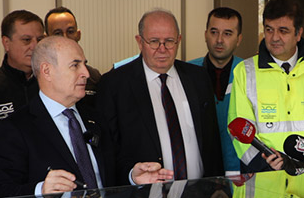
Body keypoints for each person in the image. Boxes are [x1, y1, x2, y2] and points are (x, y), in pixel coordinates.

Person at [0, 35, 171, 197]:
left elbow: (112, 168)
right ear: (46, 71)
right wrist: (41, 190)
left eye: (84, 64)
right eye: (75, 65)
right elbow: (2, 192)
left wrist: (132, 176)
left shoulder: (95, 118)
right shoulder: (15, 128)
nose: (86, 73)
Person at [95, 9, 223, 184]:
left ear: (179, 40)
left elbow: (212, 142)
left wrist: (217, 188)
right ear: (140, 42)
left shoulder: (198, 78)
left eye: (169, 41)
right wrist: (131, 177)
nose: (162, 49)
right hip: (143, 196)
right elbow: (108, 151)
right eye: (154, 41)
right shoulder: (114, 85)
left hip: (200, 194)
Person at [228, 0, 304, 172]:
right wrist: (265, 165)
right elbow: (239, 129)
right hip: (265, 178)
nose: (275, 37)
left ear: (298, 33)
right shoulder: (245, 71)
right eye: (269, 30)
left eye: (283, 31)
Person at [188, 7, 245, 173]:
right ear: (205, 34)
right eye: (214, 32)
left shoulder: (249, 74)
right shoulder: (187, 73)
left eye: (227, 33)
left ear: (238, 39)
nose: (219, 40)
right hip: (197, 171)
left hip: (240, 172)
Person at [45, 6, 102, 95]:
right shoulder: (41, 77)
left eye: (70, 32)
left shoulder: (92, 77)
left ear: (78, 35)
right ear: (45, 38)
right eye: (58, 33)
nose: (65, 38)